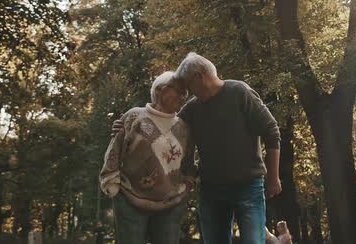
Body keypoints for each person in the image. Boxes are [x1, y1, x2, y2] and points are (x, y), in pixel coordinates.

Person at [112, 53, 282, 243]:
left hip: (248, 187)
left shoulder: (239, 92)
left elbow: (271, 131)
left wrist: (273, 178)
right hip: (212, 191)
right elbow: (164, 124)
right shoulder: (192, 109)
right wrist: (125, 124)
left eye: (187, 87)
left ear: (198, 77)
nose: (186, 94)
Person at [100, 72, 195, 244]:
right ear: (160, 90)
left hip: (171, 205)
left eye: (185, 94)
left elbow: (188, 164)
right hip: (130, 201)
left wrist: (188, 185)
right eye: (179, 91)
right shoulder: (135, 116)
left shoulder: (184, 128)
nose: (183, 97)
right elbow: (114, 150)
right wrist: (113, 186)